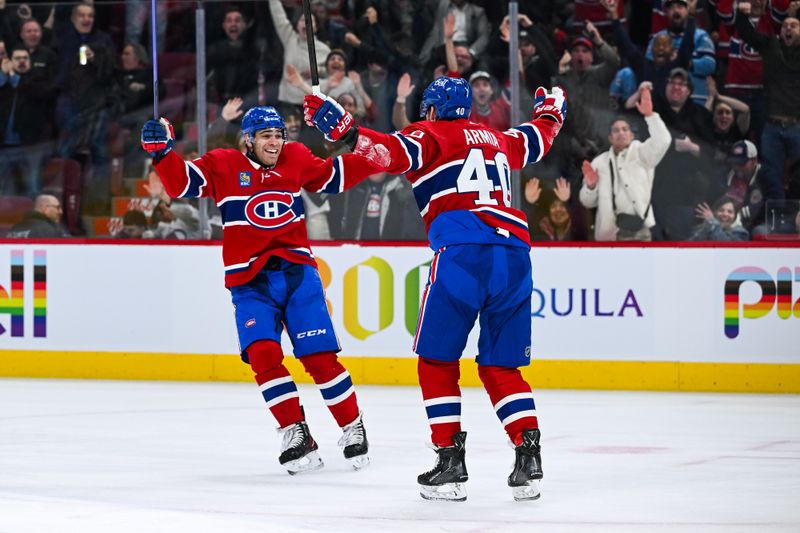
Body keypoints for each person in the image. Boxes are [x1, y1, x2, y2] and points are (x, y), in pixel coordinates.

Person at [304, 77, 567, 501]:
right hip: (515, 255)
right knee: (501, 367)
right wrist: (552, 112)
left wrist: (345, 131)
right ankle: (529, 460)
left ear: (429, 110)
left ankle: (450, 462)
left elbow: (388, 153)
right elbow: (538, 138)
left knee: (436, 360)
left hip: (465, 252)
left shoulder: (428, 133)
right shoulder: (497, 138)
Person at [139, 106, 380, 474]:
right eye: (266, 136)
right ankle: (295, 431)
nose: (275, 142)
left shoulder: (296, 157)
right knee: (263, 354)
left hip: (297, 274)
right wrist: (162, 154)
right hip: (250, 283)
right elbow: (181, 184)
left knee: (318, 358)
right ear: (248, 139)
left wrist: (374, 150)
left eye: (279, 135)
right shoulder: (223, 164)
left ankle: (352, 426)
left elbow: (335, 176)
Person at [579, 86, 672, 241]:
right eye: (616, 130)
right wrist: (591, 186)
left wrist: (650, 115)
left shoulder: (643, 153)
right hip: (608, 236)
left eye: (625, 129)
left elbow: (663, 140)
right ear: (610, 138)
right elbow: (587, 202)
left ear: (631, 135)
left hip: (640, 233)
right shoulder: (599, 162)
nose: (621, 133)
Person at [736, 1, 800, 203]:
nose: (788, 28)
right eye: (785, 25)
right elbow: (748, 34)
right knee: (771, 178)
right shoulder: (771, 45)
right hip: (772, 126)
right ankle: (775, 220)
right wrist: (741, 14)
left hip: (797, 126)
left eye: (794, 25)